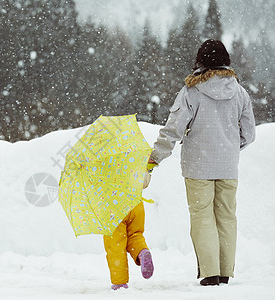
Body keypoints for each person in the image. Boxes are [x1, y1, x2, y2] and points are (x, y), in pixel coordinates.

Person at [149, 39, 256, 286]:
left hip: (198, 166)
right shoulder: (240, 93)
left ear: (199, 62)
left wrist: (154, 157)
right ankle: (225, 271)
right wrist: (230, 147)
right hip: (228, 166)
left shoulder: (191, 92)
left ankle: (210, 273)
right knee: (227, 217)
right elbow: (249, 134)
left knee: (202, 216)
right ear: (226, 61)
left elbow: (173, 130)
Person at [103, 165, 155, 290]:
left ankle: (119, 282)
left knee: (115, 245)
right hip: (135, 202)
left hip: (114, 205)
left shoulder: (101, 159)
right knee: (135, 234)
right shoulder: (132, 153)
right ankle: (141, 251)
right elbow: (145, 182)